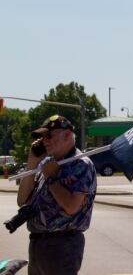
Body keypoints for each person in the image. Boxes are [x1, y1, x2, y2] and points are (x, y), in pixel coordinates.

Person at [16, 115, 97, 275]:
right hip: (38, 242)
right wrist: (32, 162)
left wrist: (52, 178)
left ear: (67, 135)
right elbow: (22, 200)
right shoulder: (46, 164)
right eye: (42, 137)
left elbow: (71, 207)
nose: (44, 141)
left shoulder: (80, 164)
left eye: (49, 135)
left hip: (62, 244)